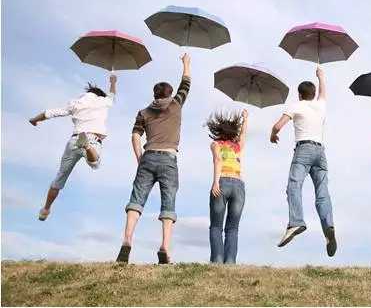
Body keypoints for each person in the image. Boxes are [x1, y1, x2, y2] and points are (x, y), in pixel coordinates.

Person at [116, 53, 191, 265]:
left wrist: (140, 157)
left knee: (136, 200)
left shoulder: (144, 112)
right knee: (168, 203)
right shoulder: (176, 104)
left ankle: (127, 240)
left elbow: (135, 135)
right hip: (169, 158)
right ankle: (165, 247)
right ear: (169, 93)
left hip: (148, 157)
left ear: (155, 94)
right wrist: (186, 63)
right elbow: (186, 84)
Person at [29, 74, 117, 221]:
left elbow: (51, 113)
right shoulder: (103, 101)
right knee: (95, 164)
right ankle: (87, 147)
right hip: (93, 138)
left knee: (60, 177)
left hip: (74, 140)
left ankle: (45, 209)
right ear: (99, 95)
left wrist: (34, 120)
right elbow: (112, 94)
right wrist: (113, 81)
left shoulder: (76, 103)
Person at [269, 66, 337, 257]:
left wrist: (272, 134)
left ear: (299, 95)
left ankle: (296, 222)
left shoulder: (296, 106)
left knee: (294, 185)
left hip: (304, 150)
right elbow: (323, 91)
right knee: (322, 192)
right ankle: (328, 226)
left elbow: (278, 125)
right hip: (320, 152)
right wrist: (321, 75)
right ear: (314, 93)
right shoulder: (321, 105)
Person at [206, 109, 248, 264]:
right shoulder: (237, 146)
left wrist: (216, 182)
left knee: (216, 226)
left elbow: (217, 159)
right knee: (233, 228)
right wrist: (245, 119)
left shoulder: (216, 144)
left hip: (222, 181)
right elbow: (243, 134)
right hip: (238, 185)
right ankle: (230, 262)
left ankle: (217, 261)